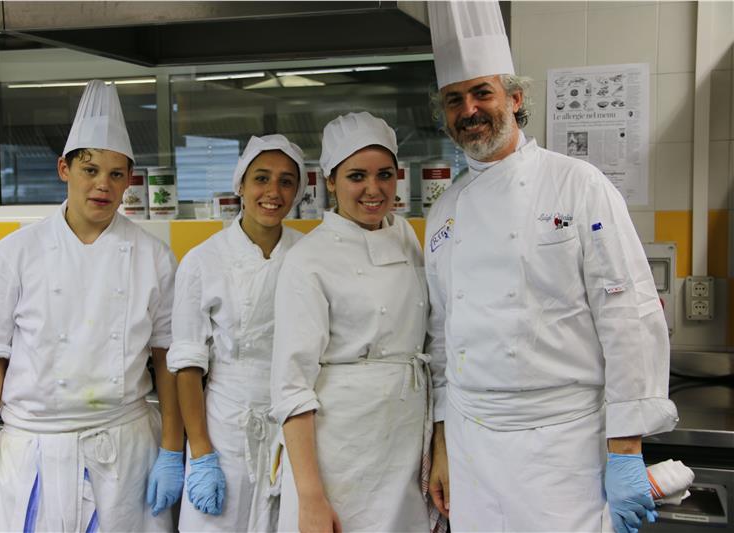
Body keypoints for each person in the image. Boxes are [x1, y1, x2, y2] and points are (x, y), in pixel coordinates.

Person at [424, 3, 677, 533]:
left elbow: (627, 315)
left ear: (515, 99)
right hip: (472, 446)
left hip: (562, 446)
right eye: (454, 99)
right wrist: (443, 442)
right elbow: (443, 335)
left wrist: (626, 449)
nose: (469, 110)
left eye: (482, 93)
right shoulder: (445, 210)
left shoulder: (578, 185)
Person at [0, 80, 183, 532]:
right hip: (33, 452)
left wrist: (172, 450)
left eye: (116, 174)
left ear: (129, 180)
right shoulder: (13, 253)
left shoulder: (154, 257)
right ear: (65, 168)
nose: (103, 185)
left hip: (125, 452)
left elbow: (168, 358)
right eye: (90, 169)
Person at [271, 112, 437, 533]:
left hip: (402, 438)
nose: (373, 189)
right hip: (340, 452)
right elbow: (291, 386)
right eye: (356, 176)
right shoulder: (308, 259)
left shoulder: (405, 236)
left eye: (385, 175)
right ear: (330, 181)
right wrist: (310, 496)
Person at [167, 134, 307, 532]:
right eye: (261, 178)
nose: (273, 192)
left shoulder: (308, 255)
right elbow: (187, 366)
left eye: (286, 181)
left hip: (292, 424)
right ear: (240, 185)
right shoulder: (203, 261)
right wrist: (202, 454)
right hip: (225, 428)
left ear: (298, 192)